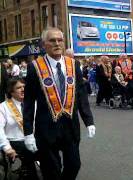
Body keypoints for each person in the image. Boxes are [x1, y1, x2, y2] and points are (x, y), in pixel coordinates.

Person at [23, 27, 95, 180]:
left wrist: (89, 121)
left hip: (70, 126)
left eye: (60, 40)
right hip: (46, 128)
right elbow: (28, 102)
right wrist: (28, 132)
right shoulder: (34, 67)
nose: (57, 43)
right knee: (51, 171)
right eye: (52, 40)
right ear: (44, 44)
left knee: (74, 165)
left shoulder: (73, 65)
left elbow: (81, 96)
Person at [0, 78, 38, 179]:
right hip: (15, 142)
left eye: (24, 87)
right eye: (18, 88)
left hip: (35, 140)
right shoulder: (3, 107)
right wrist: (6, 147)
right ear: (11, 92)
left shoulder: (34, 104)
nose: (23, 89)